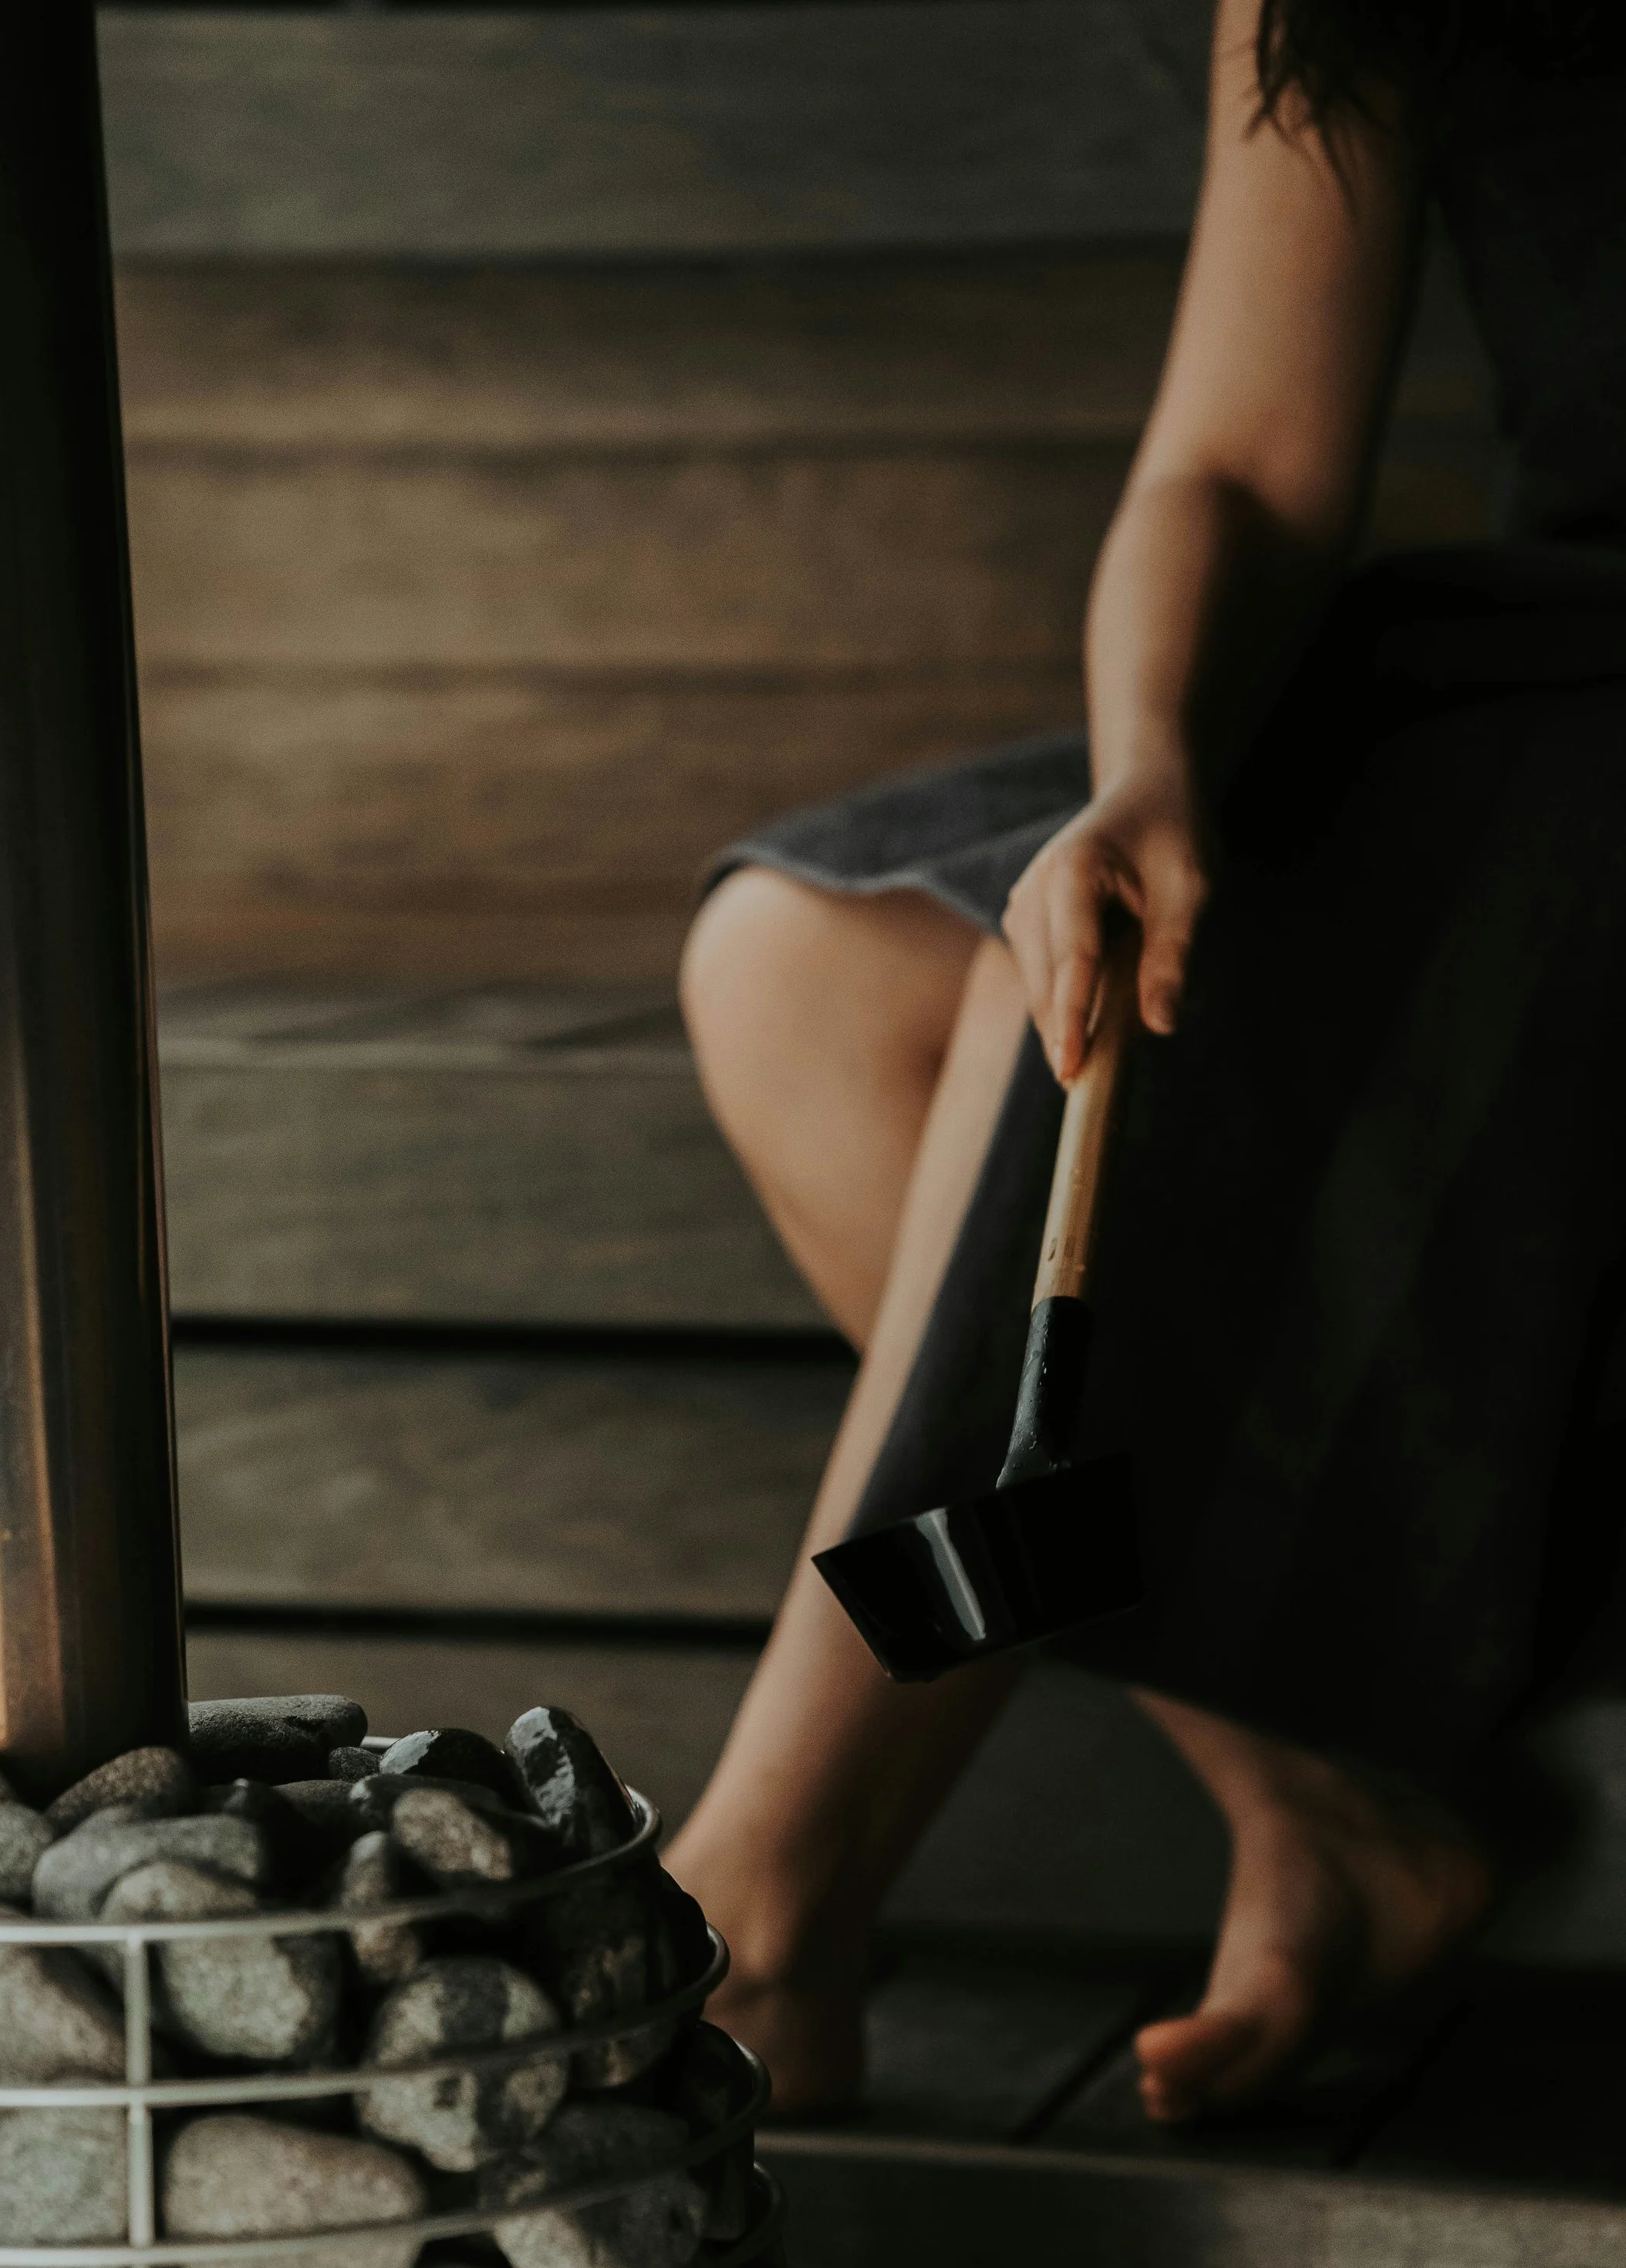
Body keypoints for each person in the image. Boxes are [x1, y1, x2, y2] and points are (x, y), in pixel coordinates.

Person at [666, 0, 1626, 2123]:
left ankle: (763, 1909)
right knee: (805, 973)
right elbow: (1241, 463)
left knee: (1081, 1016)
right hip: (1537, 665)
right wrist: (1147, 768)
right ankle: (1307, 1794)